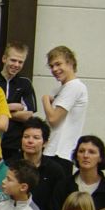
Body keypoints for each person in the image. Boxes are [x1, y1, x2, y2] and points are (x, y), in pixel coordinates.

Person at [50, 136, 105, 210]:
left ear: (100, 158)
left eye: (91, 152)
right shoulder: (63, 186)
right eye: (81, 151)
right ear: (76, 156)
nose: (85, 156)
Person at [42, 45, 87, 174]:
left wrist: (45, 100)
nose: (55, 69)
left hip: (59, 152)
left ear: (70, 62)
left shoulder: (74, 86)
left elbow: (53, 119)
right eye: (51, 66)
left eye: (58, 64)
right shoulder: (61, 89)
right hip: (52, 150)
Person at [18, 117, 67, 210]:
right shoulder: (10, 166)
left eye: (36, 138)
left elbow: (58, 205)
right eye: (26, 137)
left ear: (45, 142)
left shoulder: (55, 171)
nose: (30, 141)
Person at [0, 42, 36, 161]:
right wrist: (13, 107)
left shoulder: (25, 83)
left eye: (20, 62)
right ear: (4, 58)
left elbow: (28, 115)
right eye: (13, 60)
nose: (16, 65)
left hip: (14, 145)